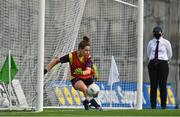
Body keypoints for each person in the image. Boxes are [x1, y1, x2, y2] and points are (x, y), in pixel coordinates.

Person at [44, 36, 102, 111]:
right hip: (76, 79)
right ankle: (97, 106)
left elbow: (88, 71)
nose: (88, 52)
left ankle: (85, 102)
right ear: (80, 49)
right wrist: (46, 70)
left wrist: (81, 72)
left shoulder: (88, 58)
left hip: (87, 78)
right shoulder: (71, 56)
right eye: (86, 50)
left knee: (95, 92)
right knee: (85, 89)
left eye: (89, 51)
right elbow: (56, 61)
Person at [147, 26, 172, 109]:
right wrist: (153, 60)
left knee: (162, 85)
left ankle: (163, 106)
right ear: (153, 34)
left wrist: (164, 61)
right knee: (153, 85)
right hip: (153, 63)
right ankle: (153, 106)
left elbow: (170, 54)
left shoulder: (166, 42)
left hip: (163, 64)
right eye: (155, 33)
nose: (157, 34)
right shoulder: (150, 42)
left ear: (162, 33)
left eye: (158, 32)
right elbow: (148, 53)